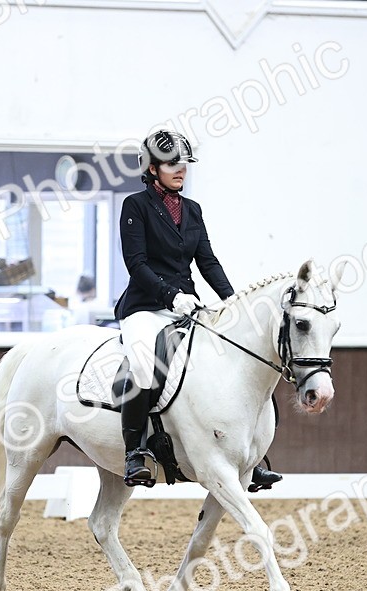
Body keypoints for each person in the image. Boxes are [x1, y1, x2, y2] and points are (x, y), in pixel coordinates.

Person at [114, 129, 282, 489]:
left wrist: (236, 303)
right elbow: (137, 265)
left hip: (187, 307)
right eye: (172, 163)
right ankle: (134, 453)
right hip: (145, 308)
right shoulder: (136, 207)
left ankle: (252, 458)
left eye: (184, 164)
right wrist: (169, 296)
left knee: (237, 360)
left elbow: (207, 261)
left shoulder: (192, 210)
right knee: (144, 366)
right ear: (151, 167)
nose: (180, 170)